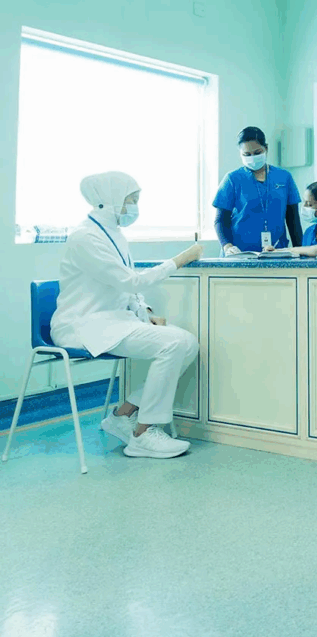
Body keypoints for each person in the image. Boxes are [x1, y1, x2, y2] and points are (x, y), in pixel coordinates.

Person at [50, 172, 203, 460]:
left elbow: (125, 288)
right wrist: (180, 260)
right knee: (174, 344)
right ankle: (143, 434)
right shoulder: (85, 237)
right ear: (109, 200)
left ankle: (124, 414)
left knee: (187, 343)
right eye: (130, 200)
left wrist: (145, 312)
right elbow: (131, 281)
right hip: (83, 325)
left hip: (112, 321)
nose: (134, 206)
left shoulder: (114, 234)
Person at [213, 126, 302, 254]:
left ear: (266, 148)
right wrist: (227, 246)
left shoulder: (284, 177)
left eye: (257, 152)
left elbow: (293, 220)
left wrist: (301, 253)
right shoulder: (232, 179)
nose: (252, 157)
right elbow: (220, 220)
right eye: (247, 154)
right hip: (239, 253)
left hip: (276, 252)